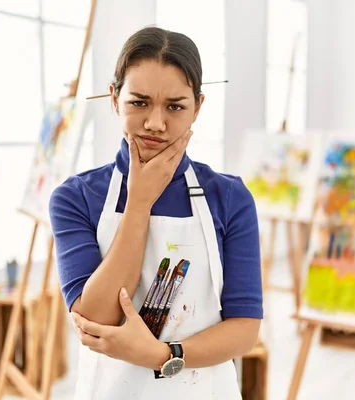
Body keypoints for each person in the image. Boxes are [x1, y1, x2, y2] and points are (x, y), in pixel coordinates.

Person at [49, 26, 263, 399]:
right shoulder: (75, 197)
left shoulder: (230, 197)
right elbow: (97, 317)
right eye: (139, 102)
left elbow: (244, 328)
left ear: (198, 106)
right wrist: (140, 201)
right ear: (114, 98)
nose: (156, 124)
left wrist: (163, 356)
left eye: (175, 106)